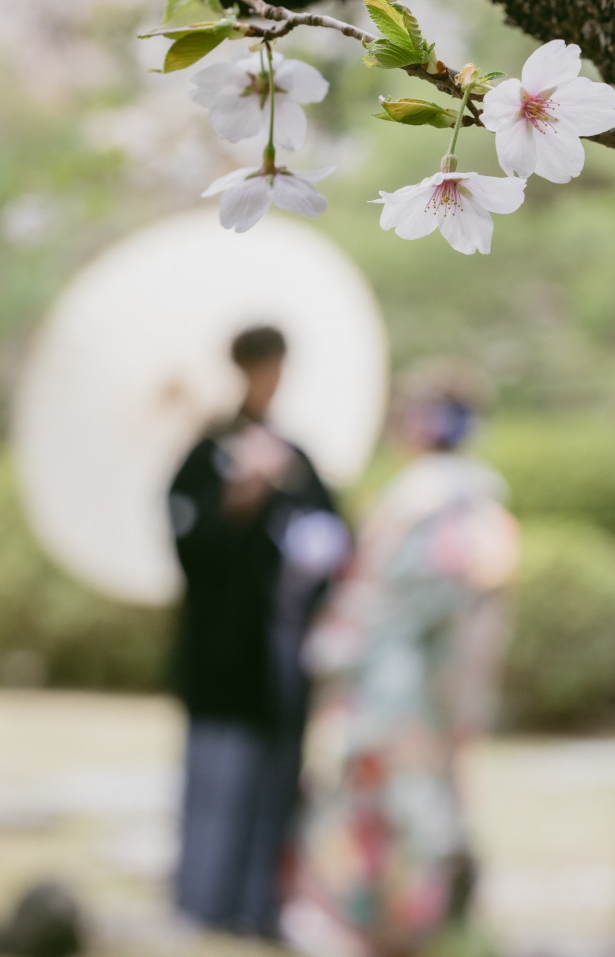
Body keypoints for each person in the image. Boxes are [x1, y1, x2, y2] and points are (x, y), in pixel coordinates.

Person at [283, 363, 519, 957]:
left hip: (394, 685)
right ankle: (422, 922)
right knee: (426, 797)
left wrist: (337, 645)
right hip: (440, 685)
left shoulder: (423, 499)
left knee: (387, 804)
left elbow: (389, 607)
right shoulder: (479, 501)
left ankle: (383, 925)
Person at [168, 325, 350, 938]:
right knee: (219, 777)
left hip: (285, 646)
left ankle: (262, 903)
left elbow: (331, 535)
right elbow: (189, 542)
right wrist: (236, 503)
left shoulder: (294, 457)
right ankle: (204, 900)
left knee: (279, 779)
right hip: (224, 649)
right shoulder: (207, 452)